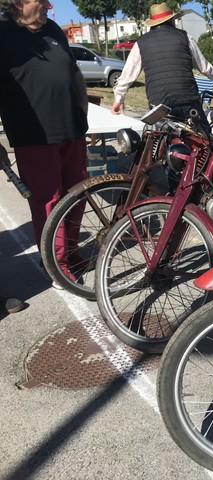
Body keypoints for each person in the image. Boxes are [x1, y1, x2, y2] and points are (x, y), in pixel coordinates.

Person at [0, 0, 89, 288]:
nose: (49, 4)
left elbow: (74, 74)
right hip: (33, 136)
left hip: (73, 129)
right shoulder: (3, 31)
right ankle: (56, 264)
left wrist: (85, 117)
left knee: (77, 195)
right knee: (48, 202)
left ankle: (71, 254)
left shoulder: (53, 29)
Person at [112, 2, 213, 131]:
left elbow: (128, 73)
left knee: (163, 142)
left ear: (153, 23)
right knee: (203, 140)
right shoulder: (185, 37)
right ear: (171, 20)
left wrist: (118, 98)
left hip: (158, 103)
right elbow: (204, 67)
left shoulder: (141, 42)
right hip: (186, 100)